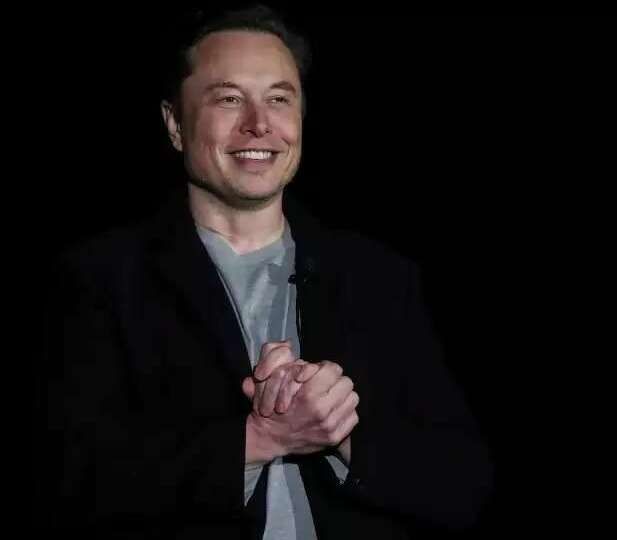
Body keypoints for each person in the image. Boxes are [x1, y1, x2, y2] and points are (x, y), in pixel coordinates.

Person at [43, 5, 493, 538]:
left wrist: (339, 434)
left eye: (279, 99)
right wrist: (260, 439)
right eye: (229, 99)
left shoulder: (379, 279)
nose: (259, 124)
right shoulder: (99, 281)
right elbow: (66, 486)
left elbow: (465, 483)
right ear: (174, 124)